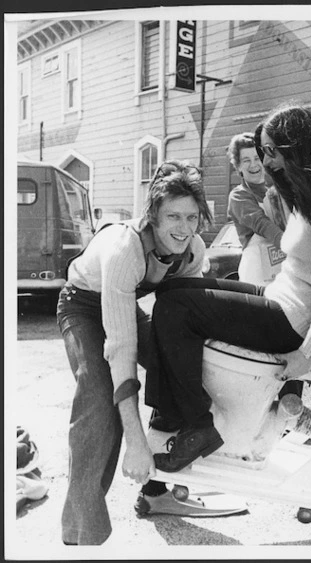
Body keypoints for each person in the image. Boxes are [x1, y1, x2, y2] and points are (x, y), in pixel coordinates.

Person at [144, 103, 311, 473]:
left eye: (274, 152)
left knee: (174, 310)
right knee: (170, 290)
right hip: (277, 297)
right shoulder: (308, 192)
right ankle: (172, 414)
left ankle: (196, 424)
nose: (269, 162)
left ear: (297, 147)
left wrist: (307, 355)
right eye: (265, 152)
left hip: (290, 320)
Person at [56, 160, 212, 545]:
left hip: (124, 302)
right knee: (98, 397)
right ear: (152, 216)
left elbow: (186, 323)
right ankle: (81, 535)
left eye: (192, 217)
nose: (183, 227)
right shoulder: (126, 248)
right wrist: (136, 443)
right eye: (173, 216)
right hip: (82, 306)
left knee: (175, 361)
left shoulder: (192, 250)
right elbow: (120, 349)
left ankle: (156, 488)